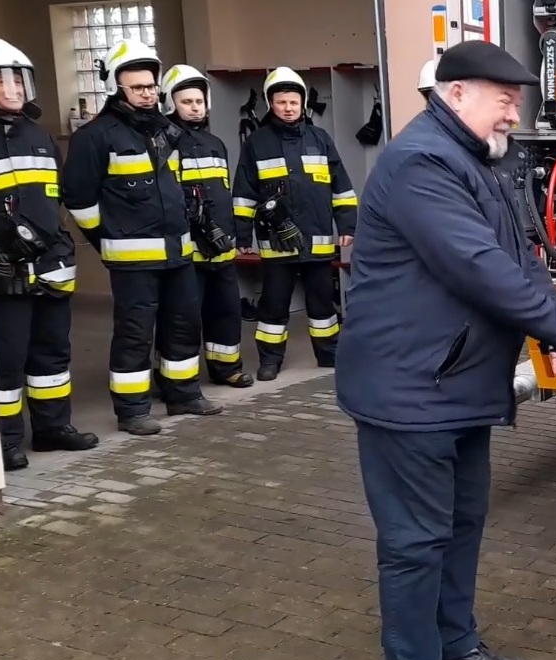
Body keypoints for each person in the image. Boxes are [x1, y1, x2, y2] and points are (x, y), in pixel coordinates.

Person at [334, 41, 556, 660]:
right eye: (501, 96)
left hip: (452, 385)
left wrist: (553, 330)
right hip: (410, 388)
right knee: (415, 541)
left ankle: (453, 641)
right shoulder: (421, 163)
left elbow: (518, 258)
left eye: (517, 97)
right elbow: (479, 266)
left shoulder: (474, 162)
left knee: (460, 523)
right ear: (454, 95)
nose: (514, 109)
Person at [62, 39, 222, 435]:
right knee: (135, 333)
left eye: (151, 86)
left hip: (178, 251)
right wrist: (109, 238)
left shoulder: (166, 130)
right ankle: (132, 410)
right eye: (138, 88)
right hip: (132, 259)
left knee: (183, 324)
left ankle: (183, 394)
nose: (148, 93)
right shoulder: (95, 137)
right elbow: (79, 200)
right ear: (118, 89)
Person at [0, 38, 99, 471]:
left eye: (19, 79)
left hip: (49, 268)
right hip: (1, 273)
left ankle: (52, 428)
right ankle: (3, 442)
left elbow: (50, 203)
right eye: (1, 80)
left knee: (52, 356)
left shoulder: (39, 137)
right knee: (7, 360)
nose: (14, 88)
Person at [231, 67, 359, 382]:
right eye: (281, 102)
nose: (288, 108)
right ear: (269, 104)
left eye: (293, 102)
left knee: (322, 305)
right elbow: (244, 193)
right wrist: (242, 235)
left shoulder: (320, 139)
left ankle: (329, 355)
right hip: (277, 244)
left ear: (302, 103)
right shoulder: (257, 143)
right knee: (273, 306)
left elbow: (341, 187)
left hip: (317, 240)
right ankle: (270, 361)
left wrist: (347, 226)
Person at [161, 63, 253, 388]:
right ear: (171, 103)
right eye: (187, 102)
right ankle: (177, 383)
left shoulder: (216, 143)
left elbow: (222, 194)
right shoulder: (162, 144)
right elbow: (166, 198)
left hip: (221, 248)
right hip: (187, 251)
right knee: (182, 320)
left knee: (226, 311)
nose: (195, 107)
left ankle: (227, 369)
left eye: (199, 101)